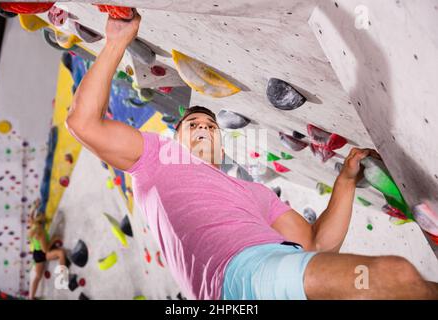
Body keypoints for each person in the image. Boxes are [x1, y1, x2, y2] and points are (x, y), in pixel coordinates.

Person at [65, 12, 438, 300]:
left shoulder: (256, 194)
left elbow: (318, 244)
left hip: (275, 265)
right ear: (173, 136)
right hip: (238, 280)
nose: (203, 128)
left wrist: (344, 181)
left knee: (397, 282)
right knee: (395, 278)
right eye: (192, 123)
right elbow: (83, 122)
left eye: (210, 126)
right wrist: (115, 42)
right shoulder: (155, 157)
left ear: (222, 146)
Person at [28, 199, 66, 300]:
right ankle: (62, 279)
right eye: (43, 214)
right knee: (61, 253)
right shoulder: (40, 232)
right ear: (40, 219)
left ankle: (31, 297)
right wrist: (54, 239)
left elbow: (30, 216)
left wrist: (35, 206)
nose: (45, 215)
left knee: (37, 277)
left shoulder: (33, 224)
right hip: (42, 254)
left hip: (36, 253)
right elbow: (45, 250)